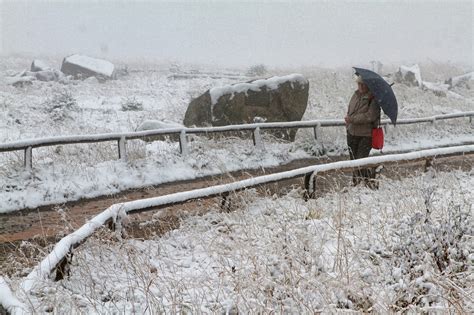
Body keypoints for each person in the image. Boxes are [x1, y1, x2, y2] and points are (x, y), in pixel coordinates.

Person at [345, 75, 381, 186]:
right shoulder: (355, 95)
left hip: (366, 135)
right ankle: (362, 181)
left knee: (360, 160)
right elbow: (350, 110)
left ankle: (362, 182)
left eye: (363, 84)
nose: (360, 86)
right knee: (354, 161)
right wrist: (348, 119)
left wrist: (352, 119)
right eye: (359, 84)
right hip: (352, 133)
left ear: (368, 85)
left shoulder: (374, 99)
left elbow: (370, 116)